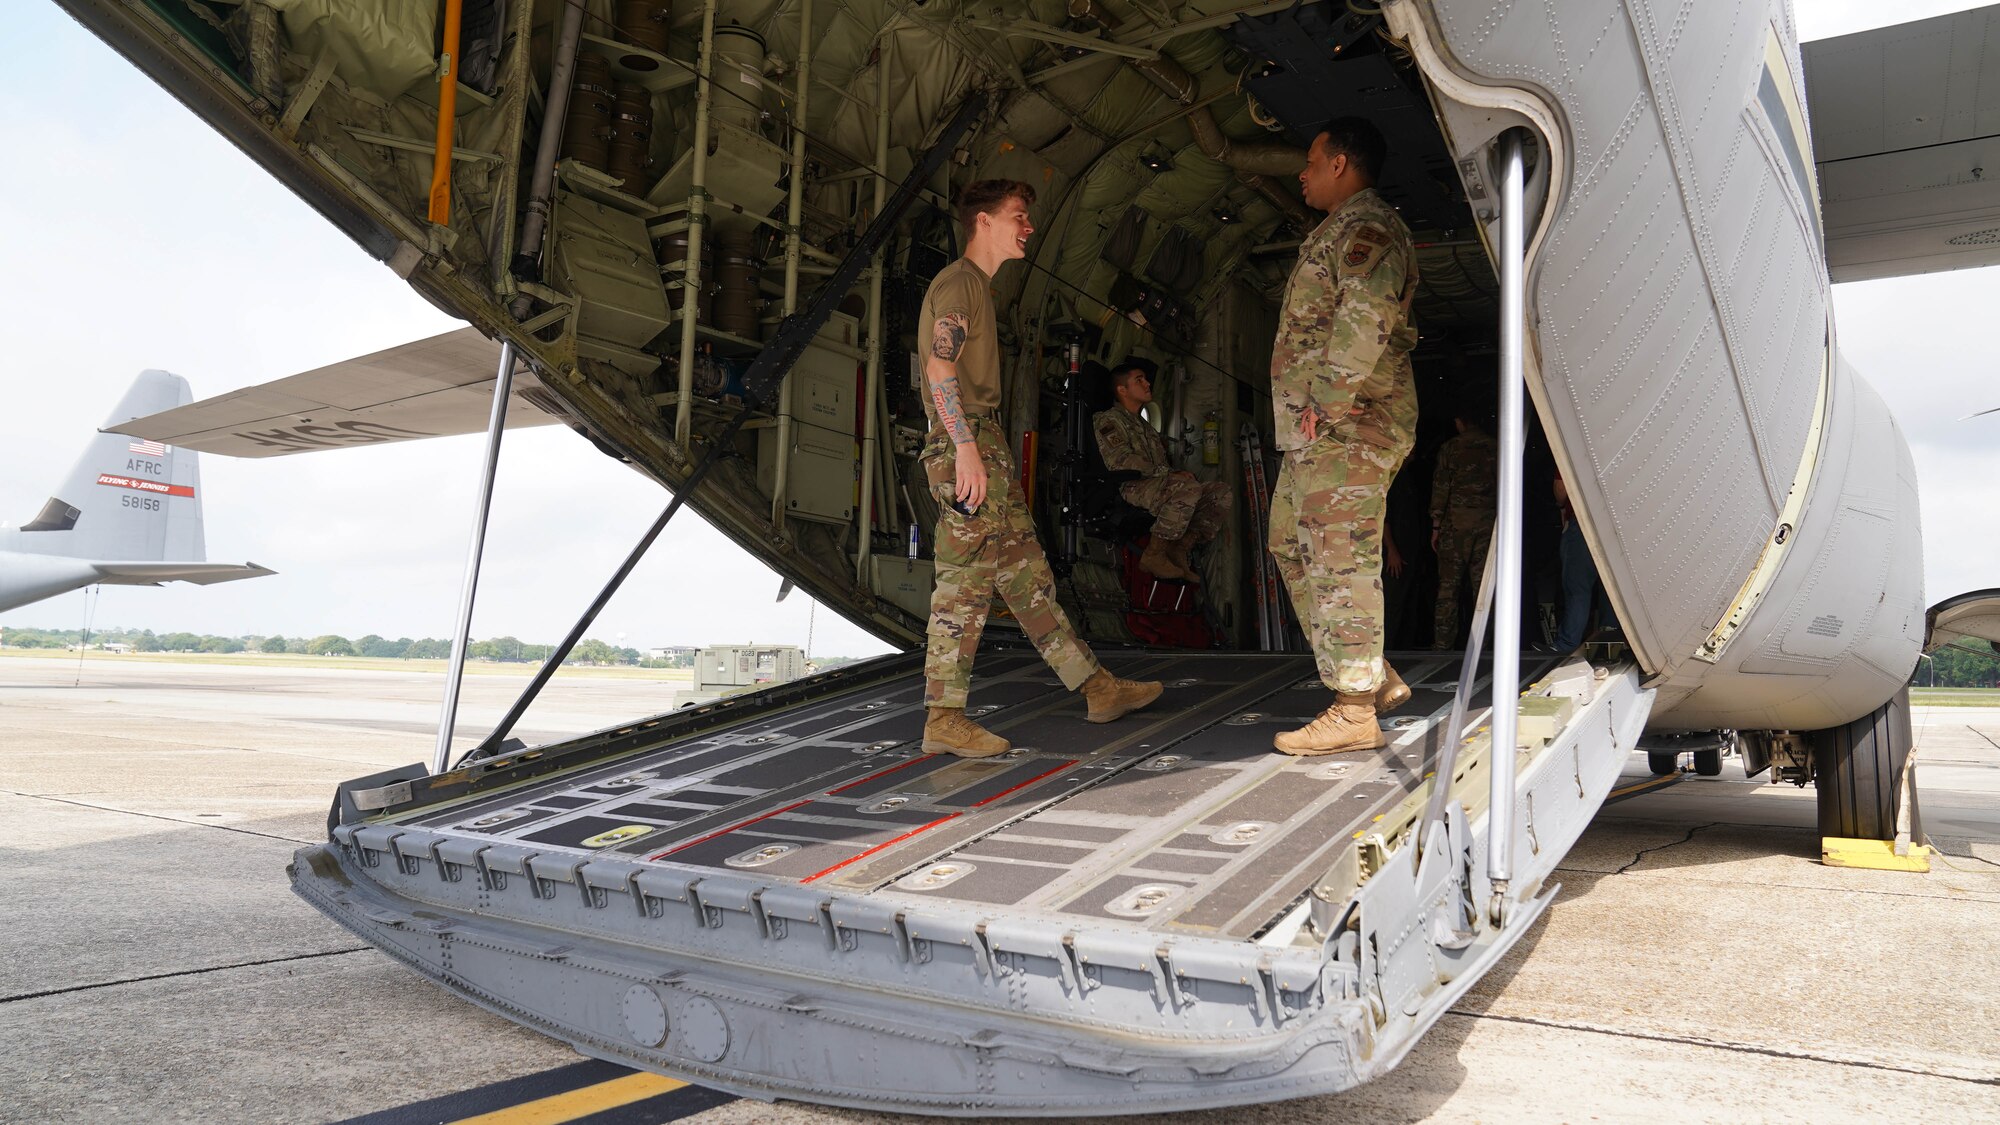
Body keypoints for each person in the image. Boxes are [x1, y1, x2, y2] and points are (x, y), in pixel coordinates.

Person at [918, 179, 1163, 757]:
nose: (1028, 228)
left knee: (1028, 580)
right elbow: (937, 366)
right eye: (1018, 217)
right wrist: (965, 448)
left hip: (983, 444)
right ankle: (944, 717)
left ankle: (1097, 688)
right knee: (965, 585)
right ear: (983, 222)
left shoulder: (978, 288)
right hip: (966, 444)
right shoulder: (959, 284)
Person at [1265, 118, 1420, 756]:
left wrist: (1327, 405)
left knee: (1339, 555)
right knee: (1288, 544)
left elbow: (1367, 318)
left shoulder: (1368, 229)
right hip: (1318, 428)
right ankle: (1370, 670)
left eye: (1311, 158)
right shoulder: (1333, 232)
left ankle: (1354, 707)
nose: (1302, 172)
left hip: (1351, 421)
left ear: (1340, 164)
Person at [1092, 357, 1232, 582]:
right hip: (1130, 486)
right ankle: (1154, 554)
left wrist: (1173, 474)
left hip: (1156, 484)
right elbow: (1120, 461)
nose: (1147, 384)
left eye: (1146, 380)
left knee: (1219, 492)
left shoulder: (1145, 427)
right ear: (1122, 389)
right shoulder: (1109, 420)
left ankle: (1179, 550)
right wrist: (1167, 474)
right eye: (1139, 380)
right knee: (1186, 488)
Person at [1429, 409, 1497, 649]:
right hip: (1488, 525)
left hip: (1455, 526)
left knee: (1448, 588)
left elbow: (1441, 488)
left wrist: (1436, 525)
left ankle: (1442, 645)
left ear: (1460, 422)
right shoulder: (1495, 447)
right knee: (1484, 589)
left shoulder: (1450, 448)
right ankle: (1484, 645)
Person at [1552, 470, 1615, 650]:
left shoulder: (1571, 442)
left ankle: (1566, 644)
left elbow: (1561, 488)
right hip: (1616, 523)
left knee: (1577, 587)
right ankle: (1609, 644)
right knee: (1611, 590)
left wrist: (1560, 504)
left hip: (1583, 520)